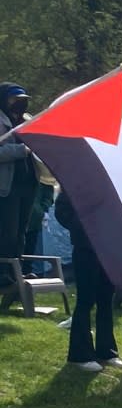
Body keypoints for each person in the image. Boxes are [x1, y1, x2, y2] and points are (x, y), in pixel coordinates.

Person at [55, 191, 122, 372]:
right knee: (86, 300)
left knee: (106, 298)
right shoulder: (78, 179)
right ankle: (80, 355)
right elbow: (61, 209)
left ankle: (107, 350)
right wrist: (80, 226)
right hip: (86, 246)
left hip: (109, 246)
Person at [0, 83, 38, 287]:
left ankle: (17, 272)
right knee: (8, 232)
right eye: (14, 100)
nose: (19, 104)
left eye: (22, 99)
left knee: (22, 231)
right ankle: (3, 274)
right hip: (7, 187)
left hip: (28, 185)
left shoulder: (26, 121)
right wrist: (21, 150)